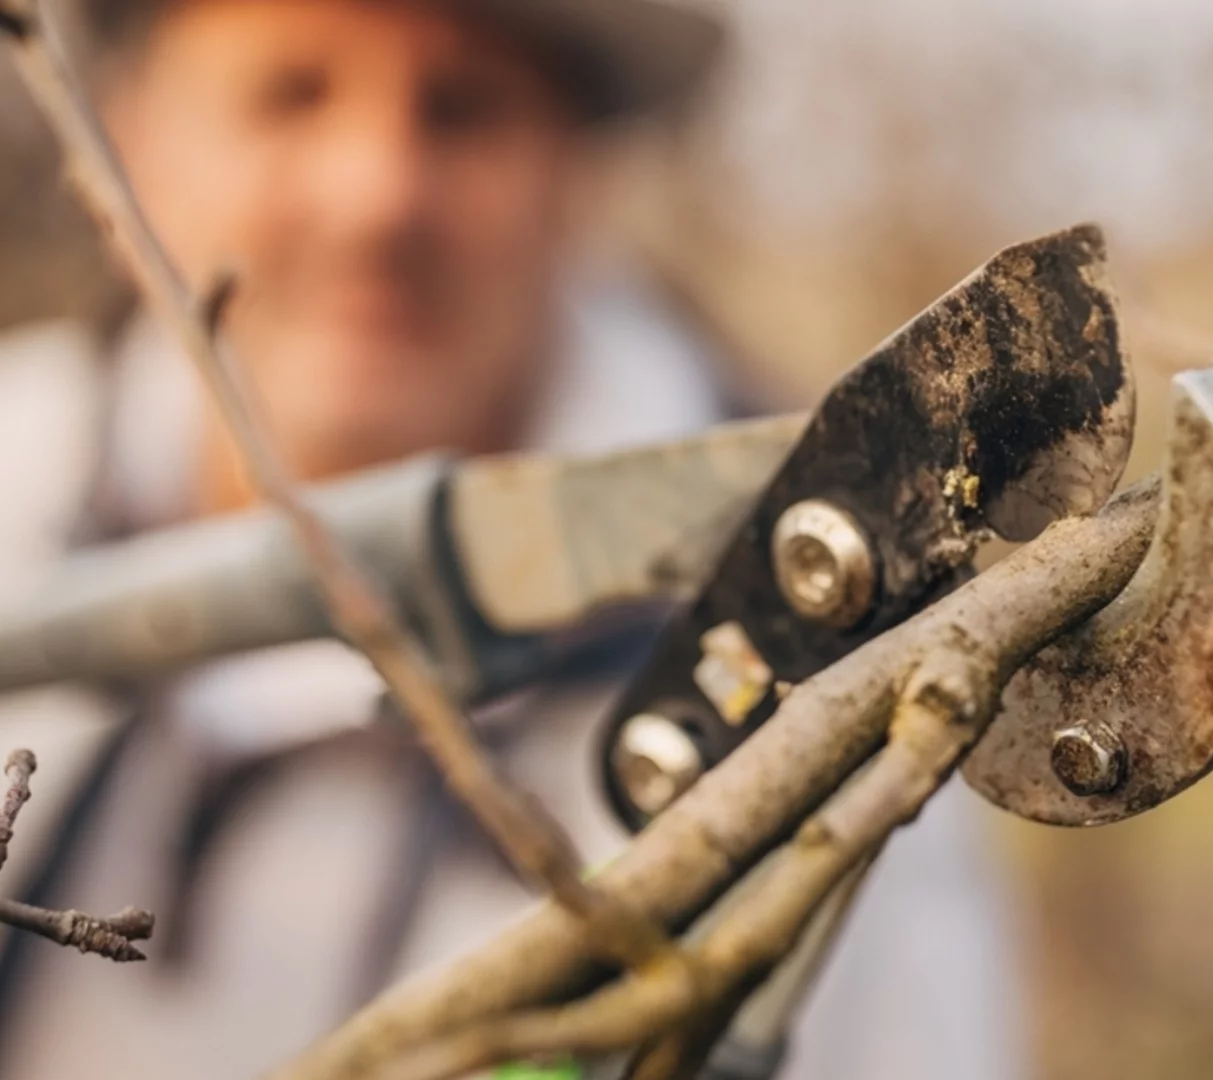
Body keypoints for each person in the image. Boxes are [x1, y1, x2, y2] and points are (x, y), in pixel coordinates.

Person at [0, 1, 1023, 1077]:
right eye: (289, 93)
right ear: (135, 140)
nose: (378, 193)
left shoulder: (816, 647)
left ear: (572, 170)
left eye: (463, 110)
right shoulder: (20, 476)